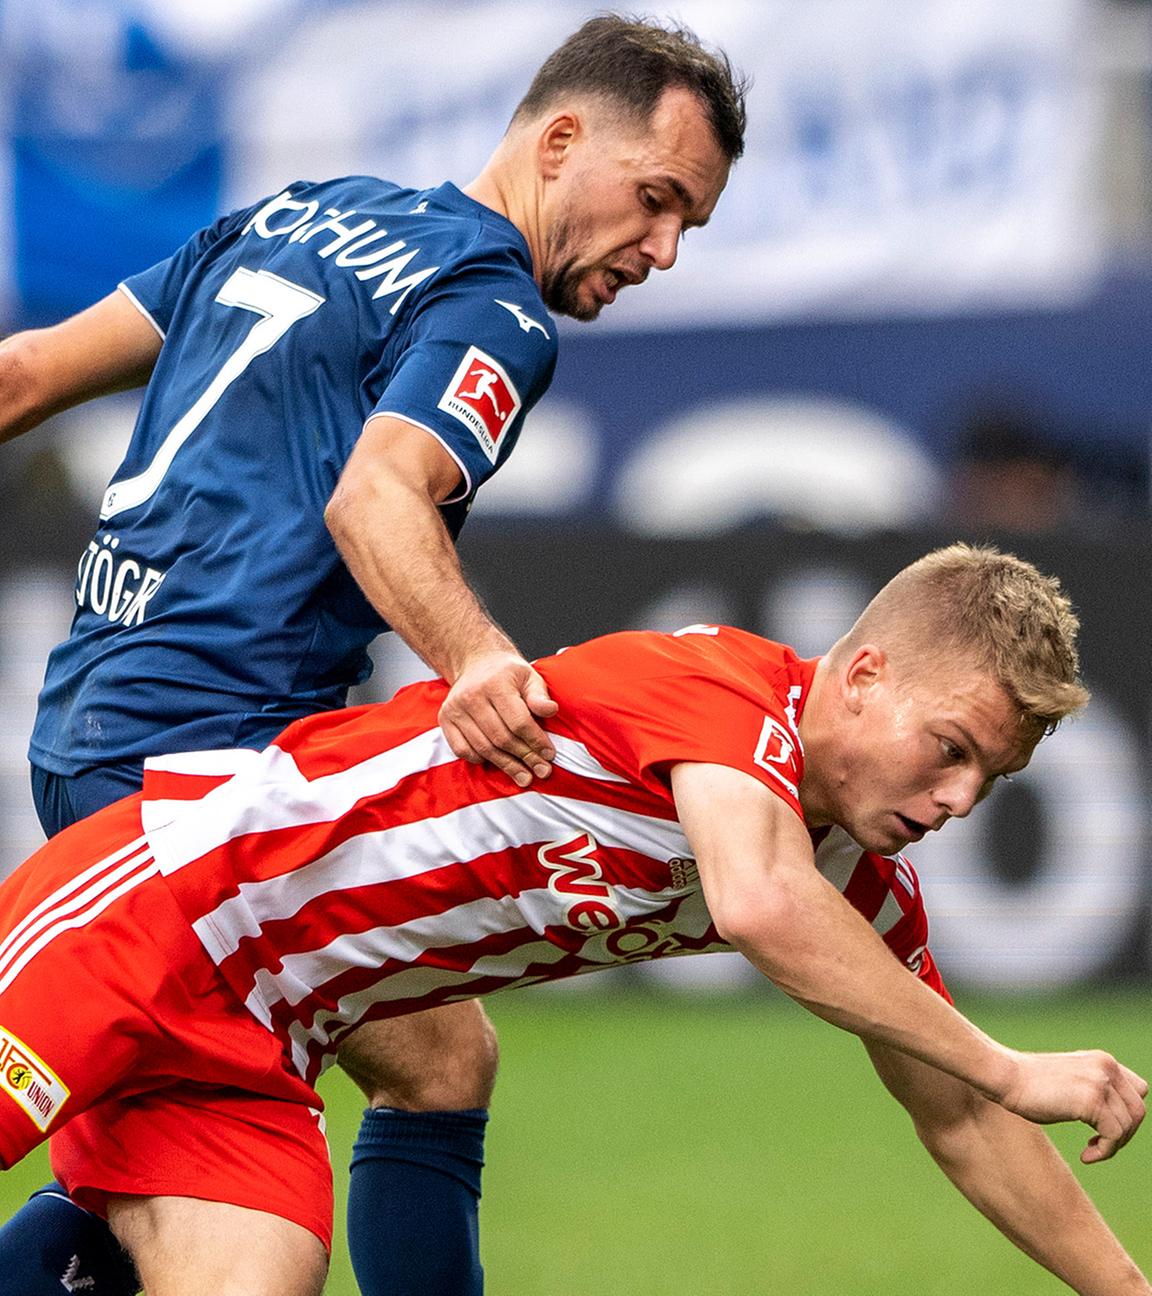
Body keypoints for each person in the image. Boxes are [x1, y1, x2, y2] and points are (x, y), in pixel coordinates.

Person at [0, 14, 747, 1295]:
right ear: (560, 140)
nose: (663, 251)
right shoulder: (492, 307)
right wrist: (476, 658)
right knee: (239, 1205)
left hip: (89, 720)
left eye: (691, 225)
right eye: (657, 199)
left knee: (380, 1077)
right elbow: (376, 502)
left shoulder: (300, 210)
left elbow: (19, 376)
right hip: (206, 776)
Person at [0, 544, 1146, 1296]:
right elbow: (756, 902)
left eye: (986, 781)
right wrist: (1010, 1064)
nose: (956, 800)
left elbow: (961, 1118)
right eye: (949, 750)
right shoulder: (727, 693)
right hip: (158, 909)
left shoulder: (854, 885)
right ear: (862, 676)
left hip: (263, 1039)